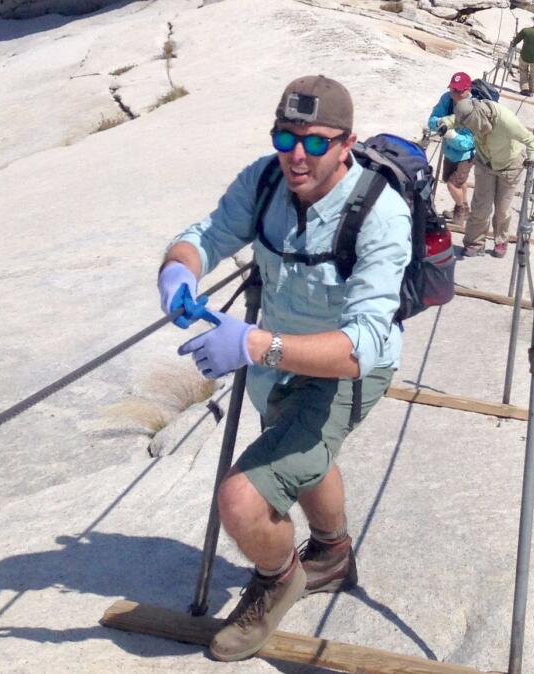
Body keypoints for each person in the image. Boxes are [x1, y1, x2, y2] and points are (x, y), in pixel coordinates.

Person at [156, 75, 411, 662]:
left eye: (316, 142)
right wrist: (179, 271)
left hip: (345, 371)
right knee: (302, 451)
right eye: (285, 136)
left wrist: (252, 346)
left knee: (242, 502)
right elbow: (210, 234)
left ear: (346, 143)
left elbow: (360, 347)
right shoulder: (266, 180)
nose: (298, 155)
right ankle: (333, 552)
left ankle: (279, 578)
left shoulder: (380, 213)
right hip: (276, 359)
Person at [437, 97, 534, 258]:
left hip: (509, 165)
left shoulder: (507, 121)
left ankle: (500, 241)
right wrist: (445, 124)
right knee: (480, 207)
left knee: (502, 209)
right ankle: (474, 243)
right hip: (485, 163)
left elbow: (531, 140)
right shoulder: (470, 114)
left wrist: (532, 157)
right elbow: (456, 119)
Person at [427, 71, 476, 226]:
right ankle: (465, 207)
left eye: (458, 91)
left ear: (468, 90)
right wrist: (441, 122)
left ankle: (460, 209)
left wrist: (451, 135)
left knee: (452, 184)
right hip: (449, 152)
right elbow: (432, 120)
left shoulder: (474, 108)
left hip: (466, 155)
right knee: (459, 183)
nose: (454, 94)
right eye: (452, 89)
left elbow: (469, 142)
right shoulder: (446, 99)